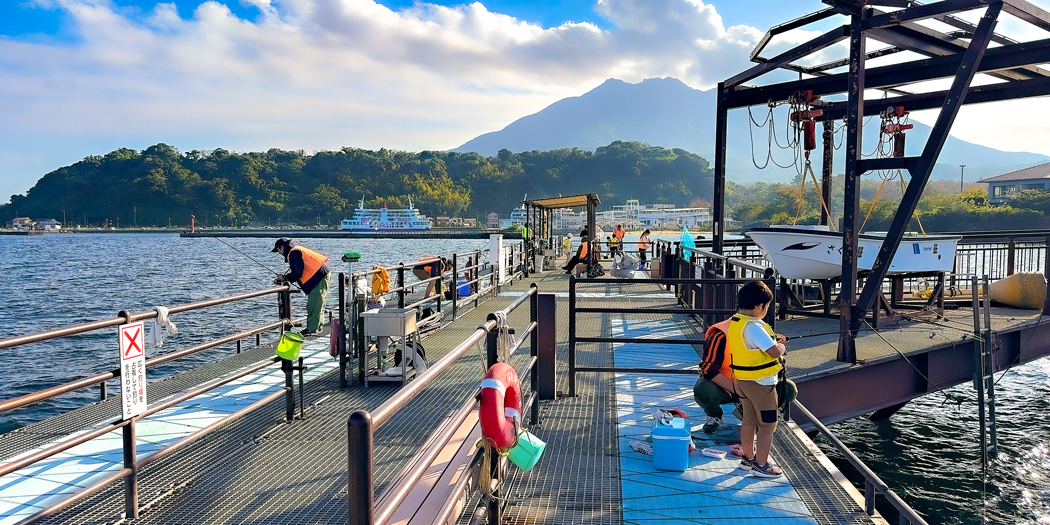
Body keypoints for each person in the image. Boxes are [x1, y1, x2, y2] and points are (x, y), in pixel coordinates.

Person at [729, 280, 787, 478]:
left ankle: (748, 458)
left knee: (748, 420)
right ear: (759, 306)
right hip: (762, 383)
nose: (767, 310)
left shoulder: (736, 322)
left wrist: (772, 338)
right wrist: (782, 347)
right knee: (767, 425)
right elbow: (772, 352)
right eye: (767, 307)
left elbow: (753, 345)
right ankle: (762, 465)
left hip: (743, 381)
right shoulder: (754, 326)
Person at [272, 238, 331, 336]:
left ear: (282, 247)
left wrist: (285, 277)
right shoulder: (296, 249)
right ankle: (316, 327)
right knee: (318, 303)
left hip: (318, 277)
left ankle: (312, 330)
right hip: (320, 274)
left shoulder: (294, 253)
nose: (279, 253)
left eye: (278, 251)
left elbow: (297, 273)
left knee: (313, 305)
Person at [693, 317, 740, 434]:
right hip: (726, 385)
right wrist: (738, 390)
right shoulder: (721, 334)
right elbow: (709, 370)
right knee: (704, 389)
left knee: (787, 389)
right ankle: (714, 415)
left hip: (754, 385)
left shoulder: (763, 332)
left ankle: (752, 413)